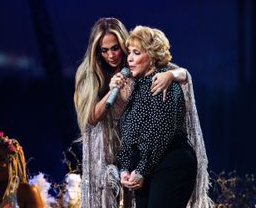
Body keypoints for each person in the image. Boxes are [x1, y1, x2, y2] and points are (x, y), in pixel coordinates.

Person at [74, 18, 187, 208]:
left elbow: (181, 73)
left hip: (138, 151)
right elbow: (91, 117)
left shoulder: (139, 69)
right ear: (97, 51)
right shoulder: (88, 75)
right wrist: (112, 91)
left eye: (115, 48)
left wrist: (171, 75)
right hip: (104, 150)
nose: (111, 55)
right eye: (104, 50)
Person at [116, 26, 213, 208]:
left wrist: (141, 170)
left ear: (152, 57)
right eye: (129, 52)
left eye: (136, 53)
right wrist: (124, 169)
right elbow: (128, 136)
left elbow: (160, 132)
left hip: (172, 163)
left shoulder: (163, 84)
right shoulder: (137, 89)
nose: (129, 58)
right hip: (147, 168)